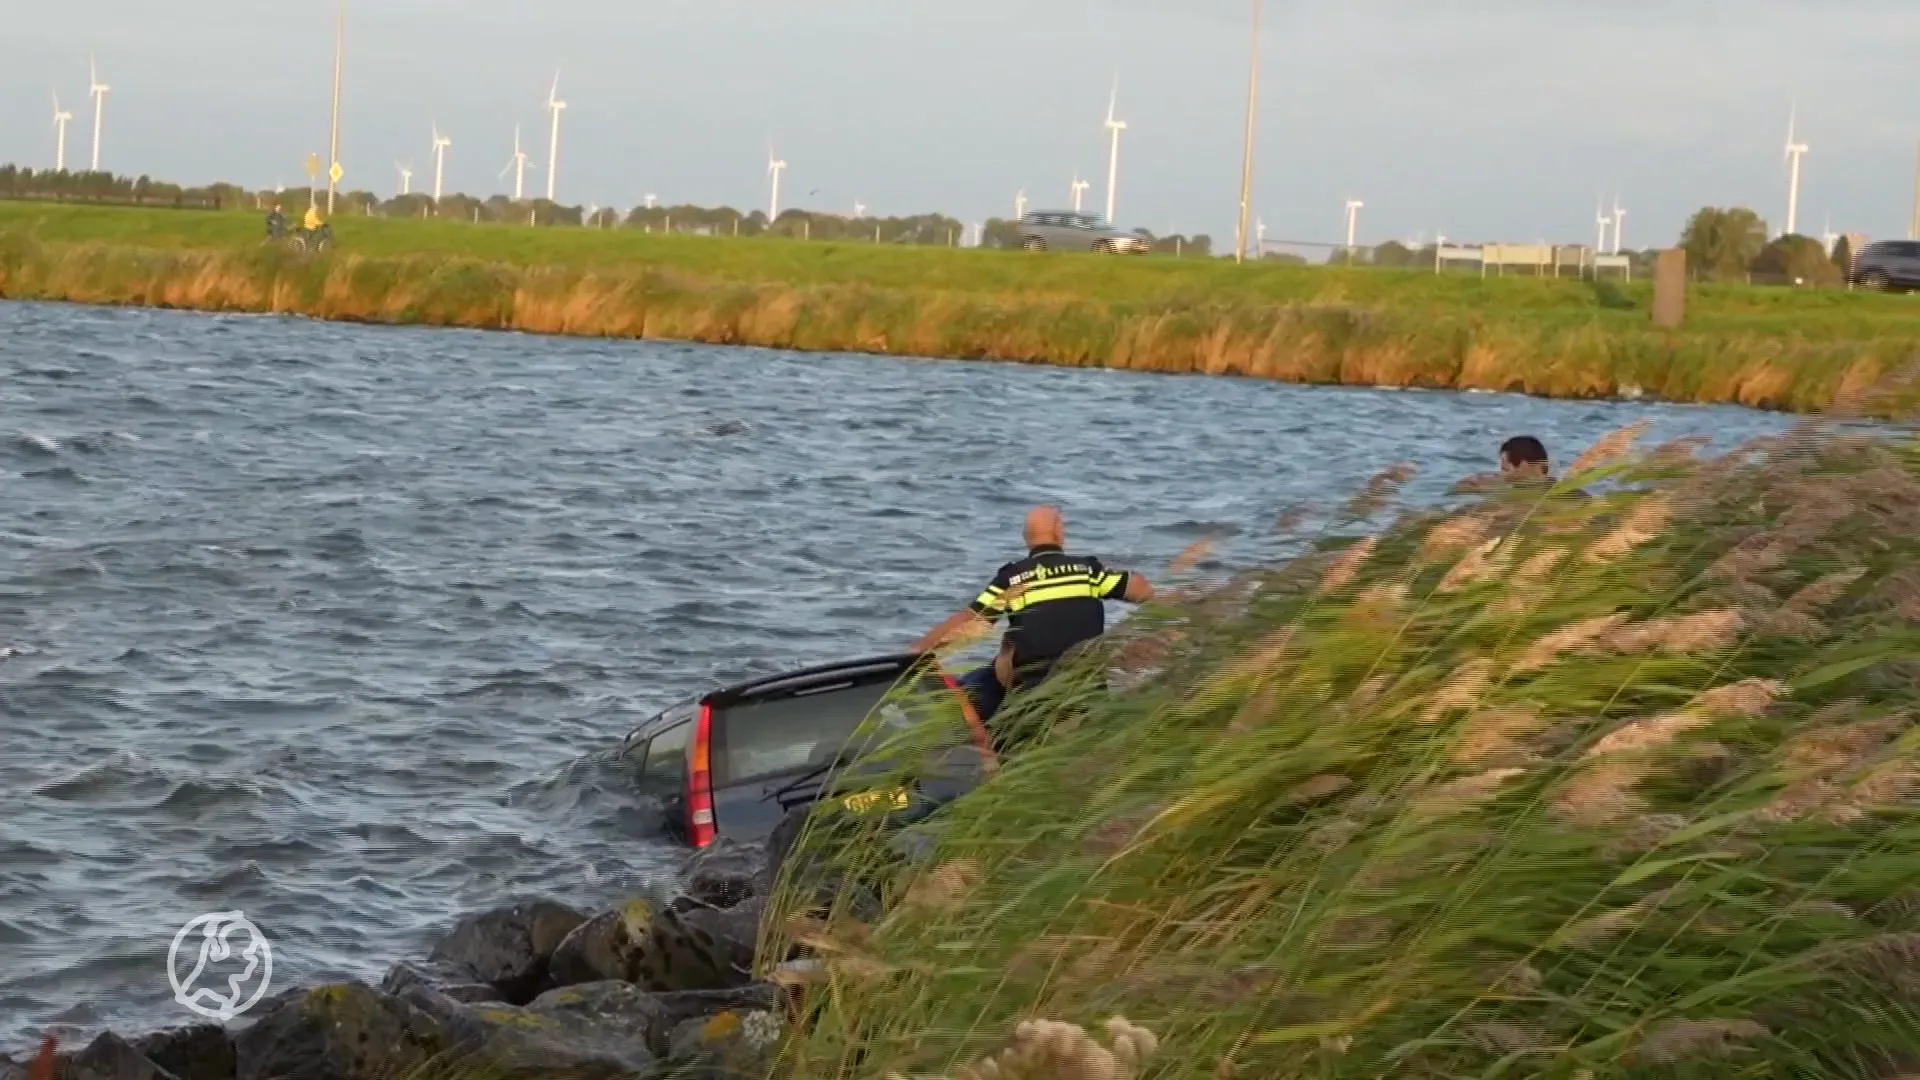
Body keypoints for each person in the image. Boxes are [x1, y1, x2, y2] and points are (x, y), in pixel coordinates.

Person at [912, 507, 1153, 741]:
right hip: (1086, 690)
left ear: (1027, 539)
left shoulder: (1012, 578)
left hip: (1031, 694)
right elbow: (1142, 591)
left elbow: (972, 624)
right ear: (1059, 532)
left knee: (979, 684)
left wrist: (919, 651)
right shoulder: (1086, 571)